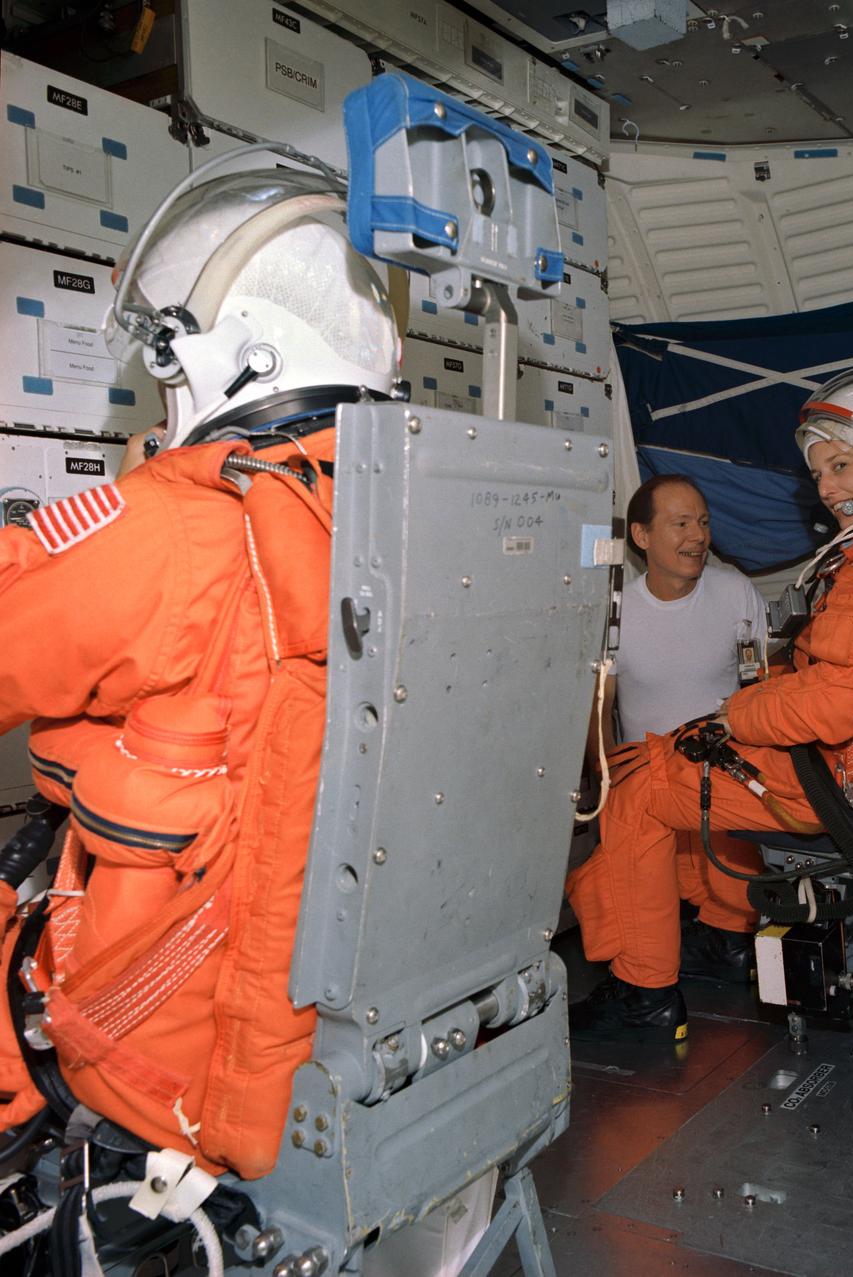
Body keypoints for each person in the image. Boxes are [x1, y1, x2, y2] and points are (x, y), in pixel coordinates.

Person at [0, 166, 400, 1177]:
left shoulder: (179, 523)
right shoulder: (407, 507)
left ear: (238, 354)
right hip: (331, 1018)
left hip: (164, 1040)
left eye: (172, 364)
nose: (165, 390)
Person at [566, 359, 853, 1043]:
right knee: (672, 758)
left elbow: (832, 706)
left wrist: (732, 716)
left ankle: (645, 991)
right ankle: (723, 939)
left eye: (842, 466)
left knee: (636, 786)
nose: (827, 488)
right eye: (819, 473)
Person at [593, 475, 770, 984]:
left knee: (728, 882)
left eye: (704, 522)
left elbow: (759, 683)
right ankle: (656, 968)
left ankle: (728, 940)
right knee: (638, 899)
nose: (698, 535)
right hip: (645, 786)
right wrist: (602, 784)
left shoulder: (735, 591)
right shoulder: (615, 611)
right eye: (681, 523)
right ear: (642, 536)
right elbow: (600, 707)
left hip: (723, 777)